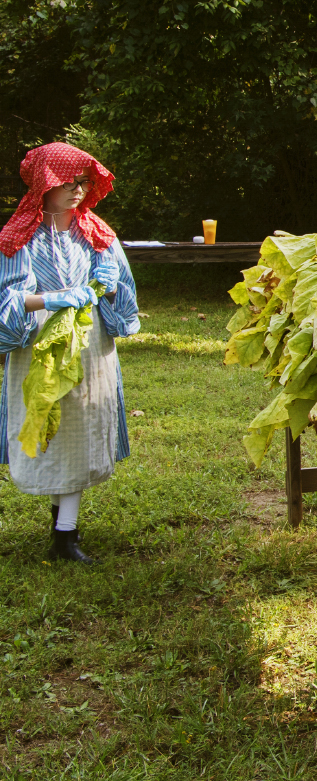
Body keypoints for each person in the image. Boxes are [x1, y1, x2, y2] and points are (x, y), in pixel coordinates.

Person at [0, 143, 140, 563]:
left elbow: (123, 296)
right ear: (45, 183)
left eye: (83, 182)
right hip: (40, 347)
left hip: (89, 346)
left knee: (81, 431)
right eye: (68, 182)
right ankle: (62, 522)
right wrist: (52, 300)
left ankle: (66, 535)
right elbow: (6, 303)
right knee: (50, 432)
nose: (78, 190)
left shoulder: (97, 234)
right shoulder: (17, 237)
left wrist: (109, 285)